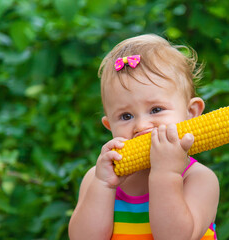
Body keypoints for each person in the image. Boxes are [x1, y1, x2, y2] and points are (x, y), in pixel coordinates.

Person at [68, 34, 220, 240]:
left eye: (156, 109)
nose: (141, 126)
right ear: (109, 126)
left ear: (191, 112)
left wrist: (166, 174)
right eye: (126, 116)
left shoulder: (198, 179)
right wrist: (103, 185)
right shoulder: (98, 179)